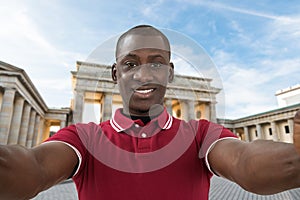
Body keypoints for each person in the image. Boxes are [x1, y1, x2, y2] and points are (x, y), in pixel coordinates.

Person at [0, 25, 300, 200]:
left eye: (156, 63)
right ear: (115, 73)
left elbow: (245, 163)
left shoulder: (201, 134)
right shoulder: (83, 137)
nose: (144, 75)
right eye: (131, 64)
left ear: (170, 74)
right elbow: (35, 168)